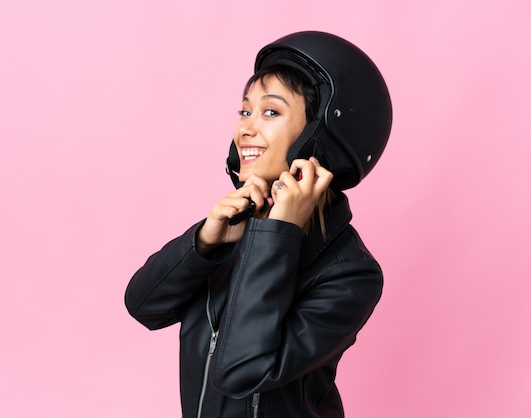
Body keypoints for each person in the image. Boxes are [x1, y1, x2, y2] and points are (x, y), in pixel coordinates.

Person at [125, 31, 392, 418]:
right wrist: (202, 244)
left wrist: (275, 236)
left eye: (270, 112)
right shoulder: (236, 231)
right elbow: (144, 306)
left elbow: (241, 371)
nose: (244, 129)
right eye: (245, 111)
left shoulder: (351, 273)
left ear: (321, 136)